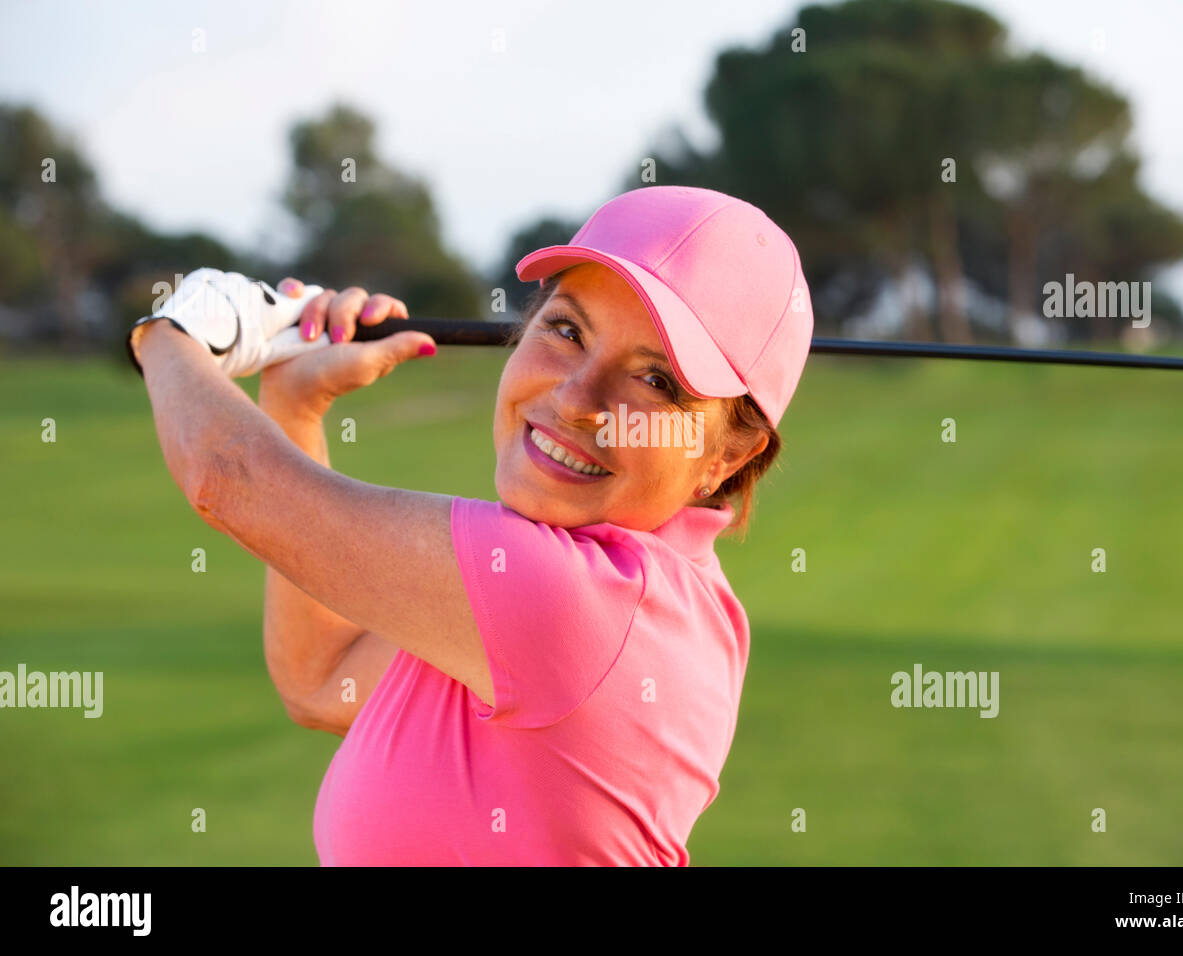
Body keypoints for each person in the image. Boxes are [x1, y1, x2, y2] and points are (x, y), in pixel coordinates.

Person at [126, 185, 814, 865]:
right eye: (567, 330)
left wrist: (174, 330)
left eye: (656, 381)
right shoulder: (622, 595)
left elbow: (229, 479)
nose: (578, 400)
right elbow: (322, 678)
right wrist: (296, 402)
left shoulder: (580, 599)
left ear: (728, 455)